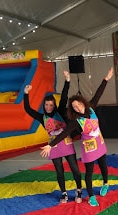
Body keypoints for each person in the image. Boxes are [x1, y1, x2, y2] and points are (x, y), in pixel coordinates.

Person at [40, 67, 114, 207]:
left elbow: (99, 92)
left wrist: (106, 78)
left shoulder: (91, 107)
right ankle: (91, 196)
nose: (78, 108)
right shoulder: (76, 121)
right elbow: (64, 133)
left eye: (79, 104)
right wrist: (51, 145)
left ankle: (105, 183)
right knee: (89, 172)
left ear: (83, 103)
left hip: (100, 141)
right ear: (73, 109)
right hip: (88, 146)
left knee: (104, 165)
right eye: (74, 107)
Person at [24, 70, 83, 204]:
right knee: (59, 171)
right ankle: (64, 193)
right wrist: (26, 93)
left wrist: (67, 80)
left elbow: (64, 96)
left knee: (74, 168)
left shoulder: (60, 111)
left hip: (66, 143)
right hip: (53, 146)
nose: (49, 107)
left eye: (51, 105)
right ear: (44, 106)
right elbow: (28, 109)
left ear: (54, 105)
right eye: (46, 105)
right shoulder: (42, 117)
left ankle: (79, 189)